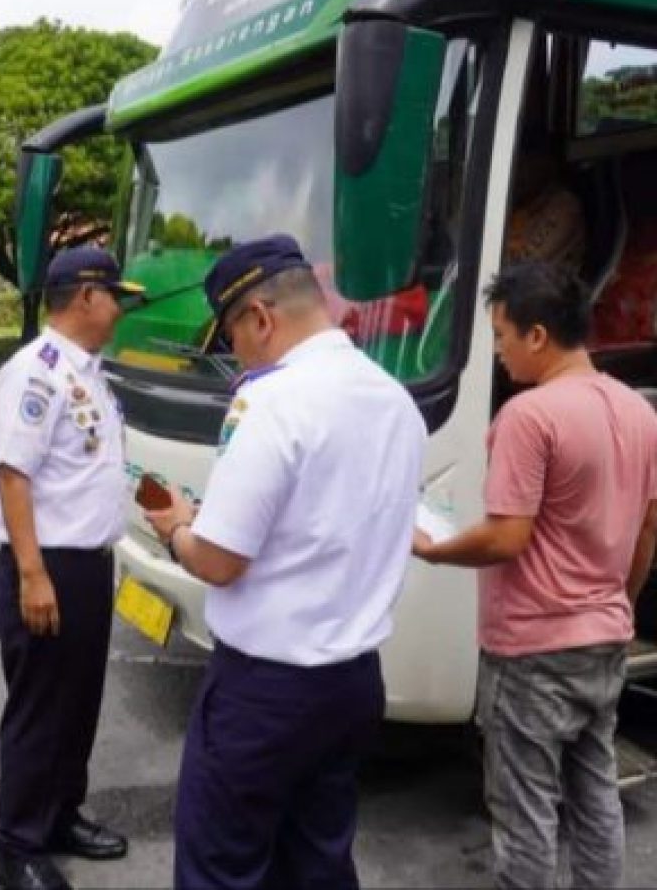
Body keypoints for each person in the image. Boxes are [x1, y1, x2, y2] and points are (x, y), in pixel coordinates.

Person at [145, 234, 427, 890]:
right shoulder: (394, 400)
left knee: (223, 866)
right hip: (353, 684)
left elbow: (218, 561)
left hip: (266, 693)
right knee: (318, 861)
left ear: (261, 318)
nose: (233, 355)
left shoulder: (272, 403)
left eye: (231, 338)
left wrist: (177, 527)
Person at [414, 261, 657, 889]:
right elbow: (648, 529)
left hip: (532, 651)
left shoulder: (529, 417)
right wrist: (619, 606)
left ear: (538, 335)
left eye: (501, 335)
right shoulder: (639, 412)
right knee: (595, 793)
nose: (498, 352)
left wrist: (432, 550)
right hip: (603, 636)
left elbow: (506, 537)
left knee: (525, 814)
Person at [0, 247, 145, 890]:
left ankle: (60, 817)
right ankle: (15, 848)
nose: (119, 309)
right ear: (86, 295)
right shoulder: (37, 371)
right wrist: (32, 573)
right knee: (39, 712)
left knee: (78, 706)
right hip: (45, 567)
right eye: (116, 296)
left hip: (85, 568)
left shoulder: (88, 372)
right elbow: (12, 473)